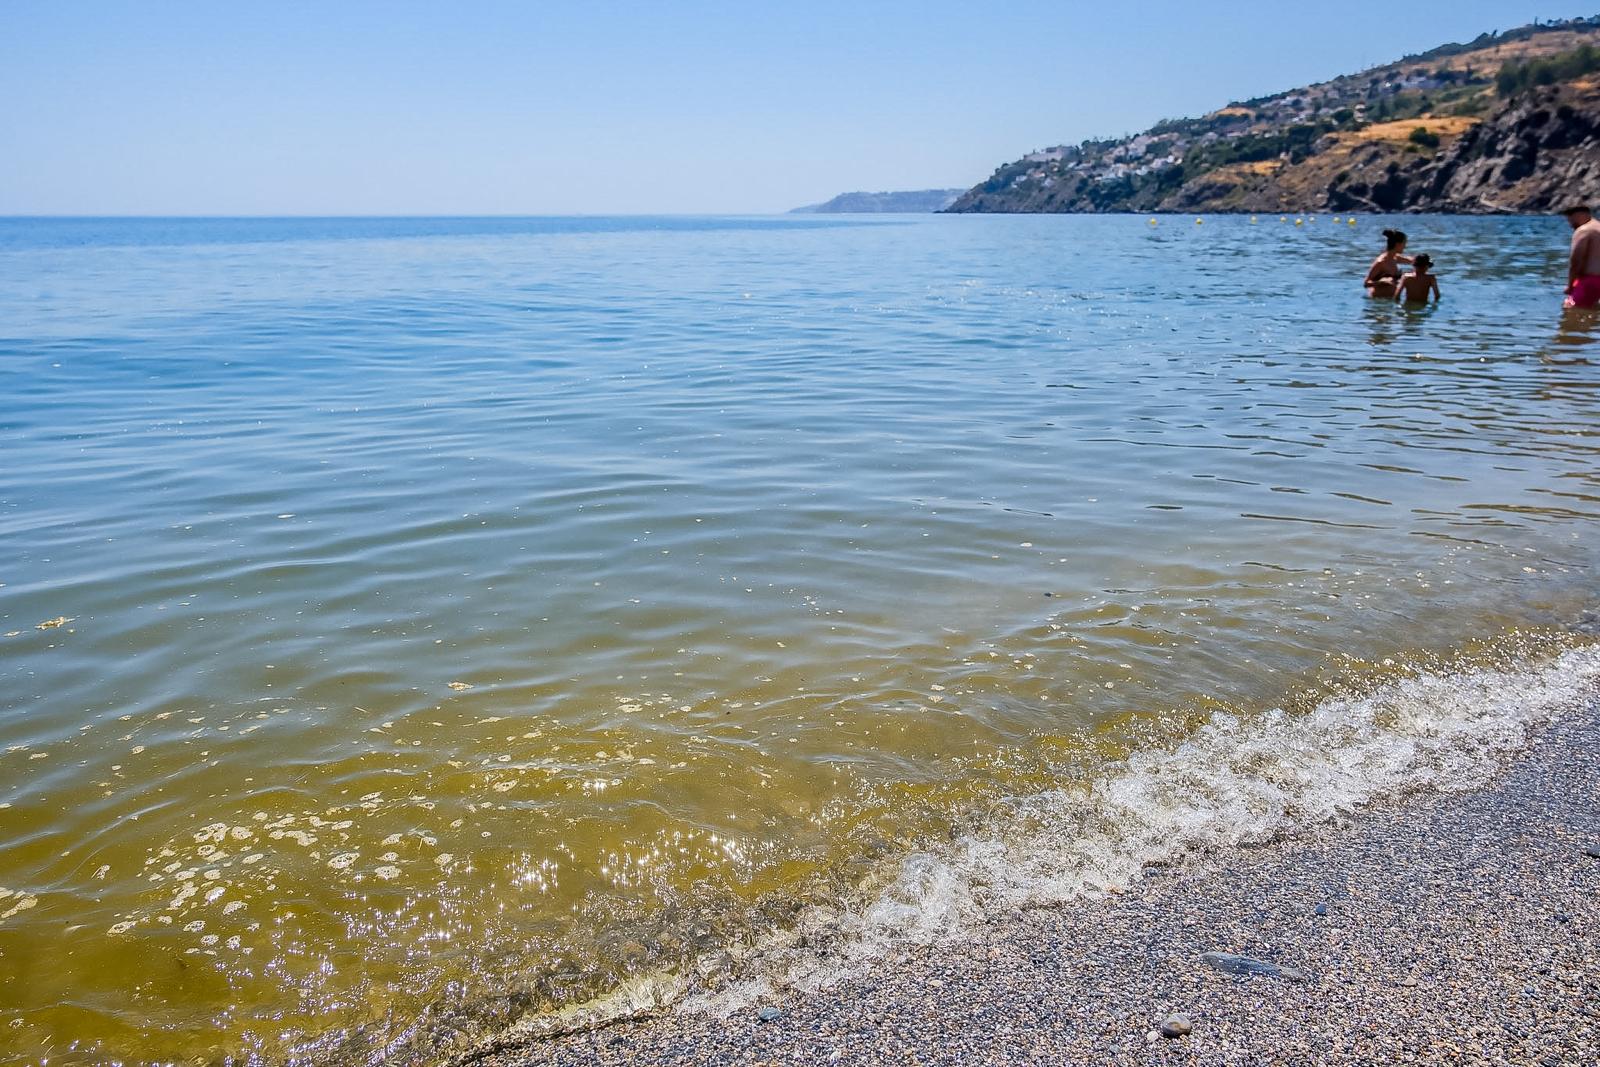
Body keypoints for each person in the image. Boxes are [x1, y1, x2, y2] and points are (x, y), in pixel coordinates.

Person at [1565, 205, 1600, 308]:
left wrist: (1570, 285)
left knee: (1570, 309)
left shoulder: (1584, 230)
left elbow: (1576, 260)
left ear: (1579, 215)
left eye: (1570, 220)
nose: (1570, 225)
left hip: (1590, 281)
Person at [1364, 229, 1412, 299]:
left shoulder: (1395, 258)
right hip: (1379, 301)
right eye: (1404, 243)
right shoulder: (1381, 262)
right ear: (1398, 244)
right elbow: (1366, 283)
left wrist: (1424, 260)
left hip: (1390, 300)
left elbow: (1412, 260)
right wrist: (1381, 282)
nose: (1405, 246)